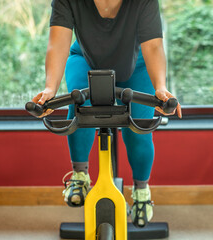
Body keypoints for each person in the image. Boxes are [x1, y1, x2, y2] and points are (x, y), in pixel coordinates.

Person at [31, 0, 182, 227]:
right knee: (79, 101)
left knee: (139, 127)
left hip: (136, 63)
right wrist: (50, 88)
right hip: (85, 59)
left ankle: (141, 191)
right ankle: (80, 175)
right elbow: (58, 42)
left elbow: (152, 45)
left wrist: (160, 86)